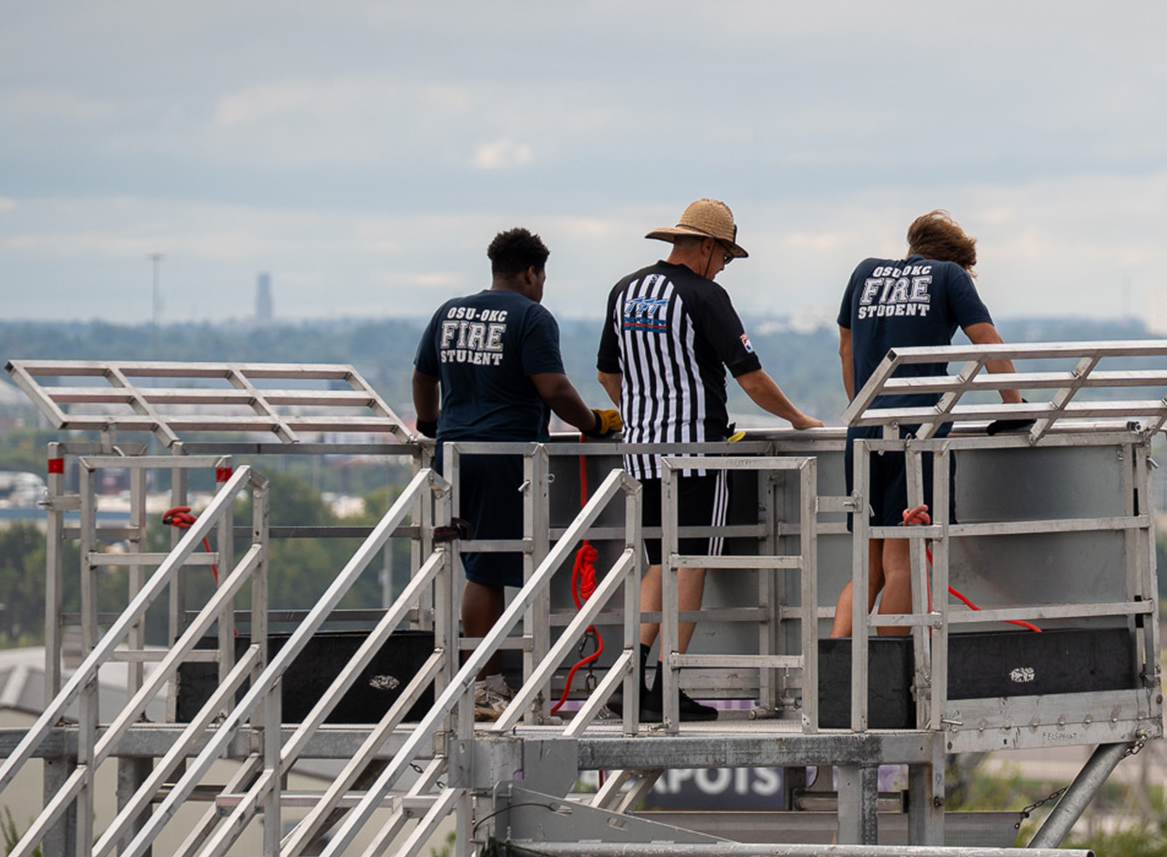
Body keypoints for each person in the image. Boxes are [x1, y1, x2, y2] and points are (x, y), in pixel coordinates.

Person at [598, 198, 823, 721]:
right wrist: (797, 419)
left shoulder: (626, 290)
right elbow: (751, 377)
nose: (725, 267)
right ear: (706, 246)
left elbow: (609, 374)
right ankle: (666, 683)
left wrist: (641, 413)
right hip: (696, 453)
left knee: (658, 562)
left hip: (641, 452)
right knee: (691, 563)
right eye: (725, 256)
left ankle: (625, 677)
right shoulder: (707, 296)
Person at [412, 227, 619, 721]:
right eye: (541, 276)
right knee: (490, 570)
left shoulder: (450, 312)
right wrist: (593, 422)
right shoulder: (532, 316)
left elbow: (423, 377)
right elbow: (553, 387)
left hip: (454, 455)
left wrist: (430, 426)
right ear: (531, 272)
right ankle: (481, 685)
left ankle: (481, 680)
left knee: (480, 563)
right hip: (507, 455)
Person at [831, 210, 1026, 639]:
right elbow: (987, 341)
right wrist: (1016, 406)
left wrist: (860, 407)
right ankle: (890, 678)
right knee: (904, 561)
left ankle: (839, 671)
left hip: (863, 432)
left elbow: (846, 347)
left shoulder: (865, 272)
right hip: (916, 436)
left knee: (867, 567)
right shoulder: (949, 277)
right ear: (957, 261)